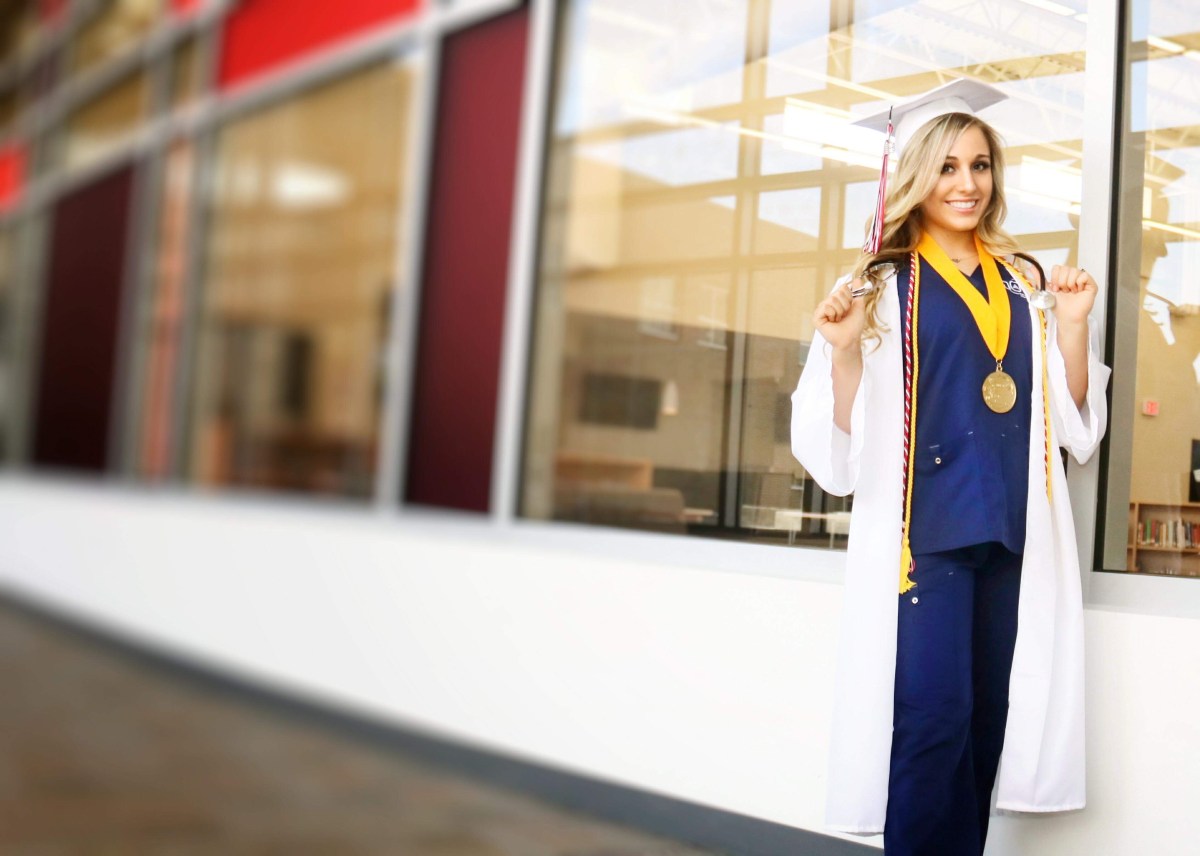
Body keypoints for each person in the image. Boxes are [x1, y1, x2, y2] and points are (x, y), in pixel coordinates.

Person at [789, 79, 1111, 855]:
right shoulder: (878, 285)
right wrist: (843, 354)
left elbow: (1074, 425)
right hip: (923, 542)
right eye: (946, 167)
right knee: (934, 718)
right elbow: (836, 452)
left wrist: (1072, 327)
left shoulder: (1026, 284)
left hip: (1010, 534)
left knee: (985, 722)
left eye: (980, 165)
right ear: (915, 176)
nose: (967, 184)